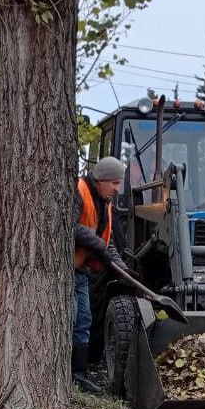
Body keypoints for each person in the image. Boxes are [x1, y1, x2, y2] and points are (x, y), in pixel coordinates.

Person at [72, 156, 127, 394]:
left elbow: (107, 242)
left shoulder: (105, 204)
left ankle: (79, 375)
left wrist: (123, 269)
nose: (117, 188)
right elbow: (71, 226)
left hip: (81, 271)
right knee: (71, 318)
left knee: (84, 320)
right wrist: (98, 246)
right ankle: (66, 372)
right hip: (66, 271)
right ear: (101, 180)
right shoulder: (78, 192)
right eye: (114, 183)